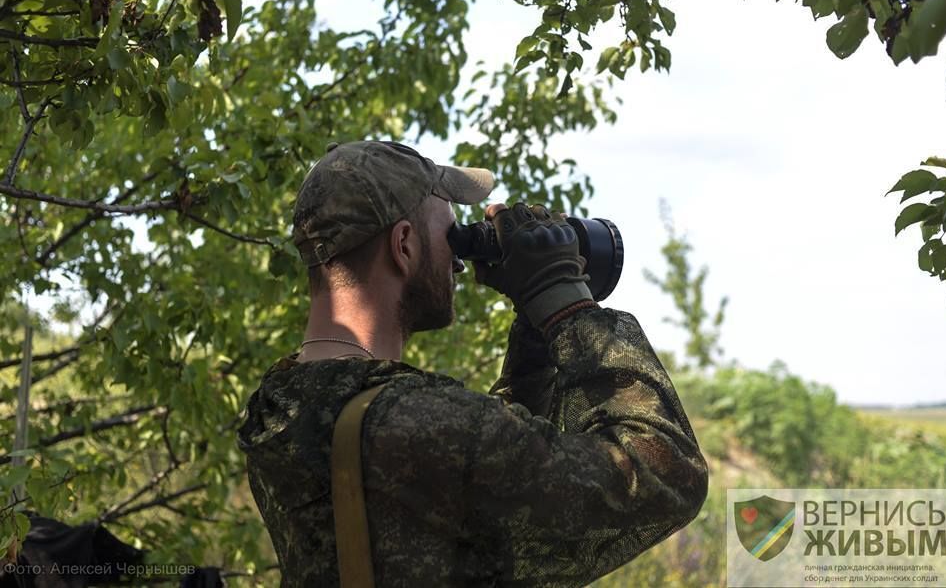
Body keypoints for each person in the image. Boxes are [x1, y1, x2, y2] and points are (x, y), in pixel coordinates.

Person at [237, 140, 709, 587]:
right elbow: (666, 475)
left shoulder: (279, 411)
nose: (459, 263)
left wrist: (534, 329)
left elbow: (489, 500)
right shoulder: (420, 422)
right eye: (452, 237)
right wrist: (563, 300)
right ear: (404, 245)